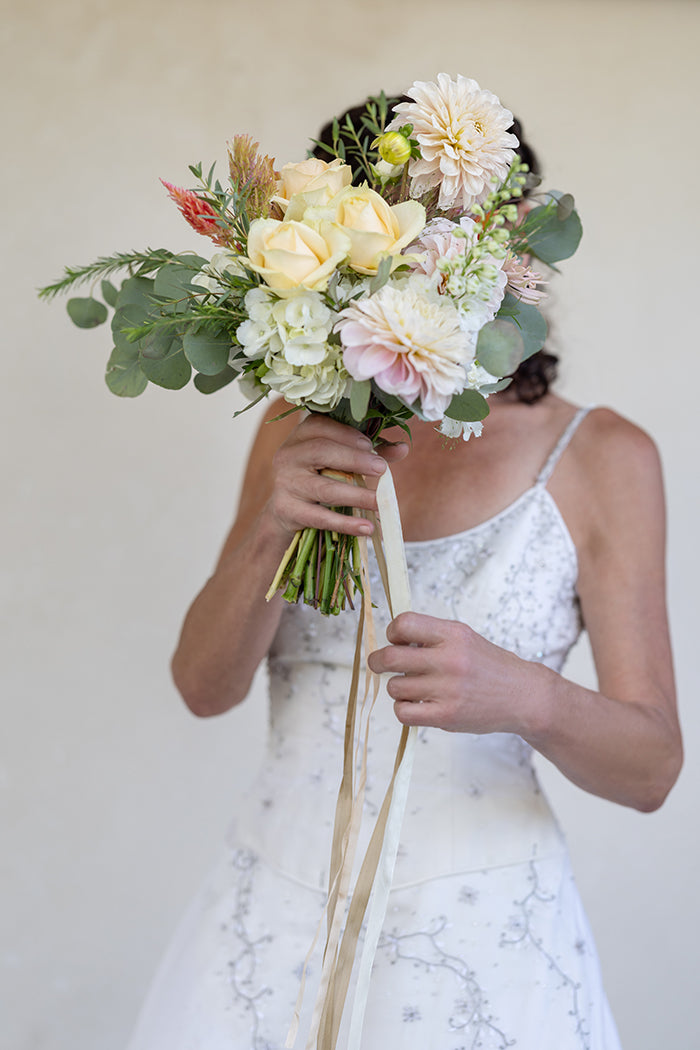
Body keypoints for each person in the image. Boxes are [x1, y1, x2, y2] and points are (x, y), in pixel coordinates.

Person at [125, 115, 682, 1050]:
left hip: (483, 940)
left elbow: (653, 769)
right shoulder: (294, 427)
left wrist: (527, 697)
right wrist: (270, 522)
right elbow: (201, 686)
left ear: (503, 248)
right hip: (270, 920)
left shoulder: (604, 457)